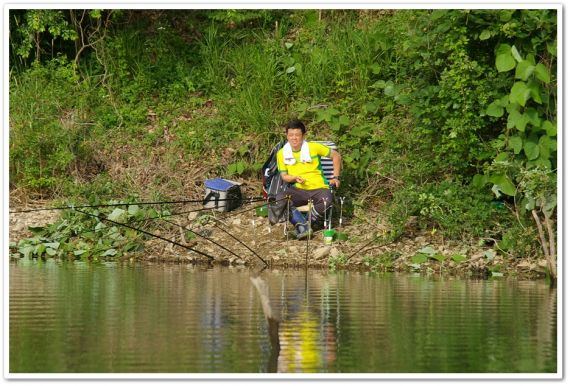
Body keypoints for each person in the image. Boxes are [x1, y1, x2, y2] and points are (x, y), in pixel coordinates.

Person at [275, 119, 342, 240]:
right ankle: (305, 227)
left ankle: (302, 226)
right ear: (287, 136)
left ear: (303, 135)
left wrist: (335, 177)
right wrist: (294, 178)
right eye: (291, 135)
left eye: (297, 135)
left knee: (327, 200)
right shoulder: (281, 153)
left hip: (319, 187)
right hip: (299, 189)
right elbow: (284, 176)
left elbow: (336, 156)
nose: (294, 138)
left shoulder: (313, 147)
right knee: (280, 199)